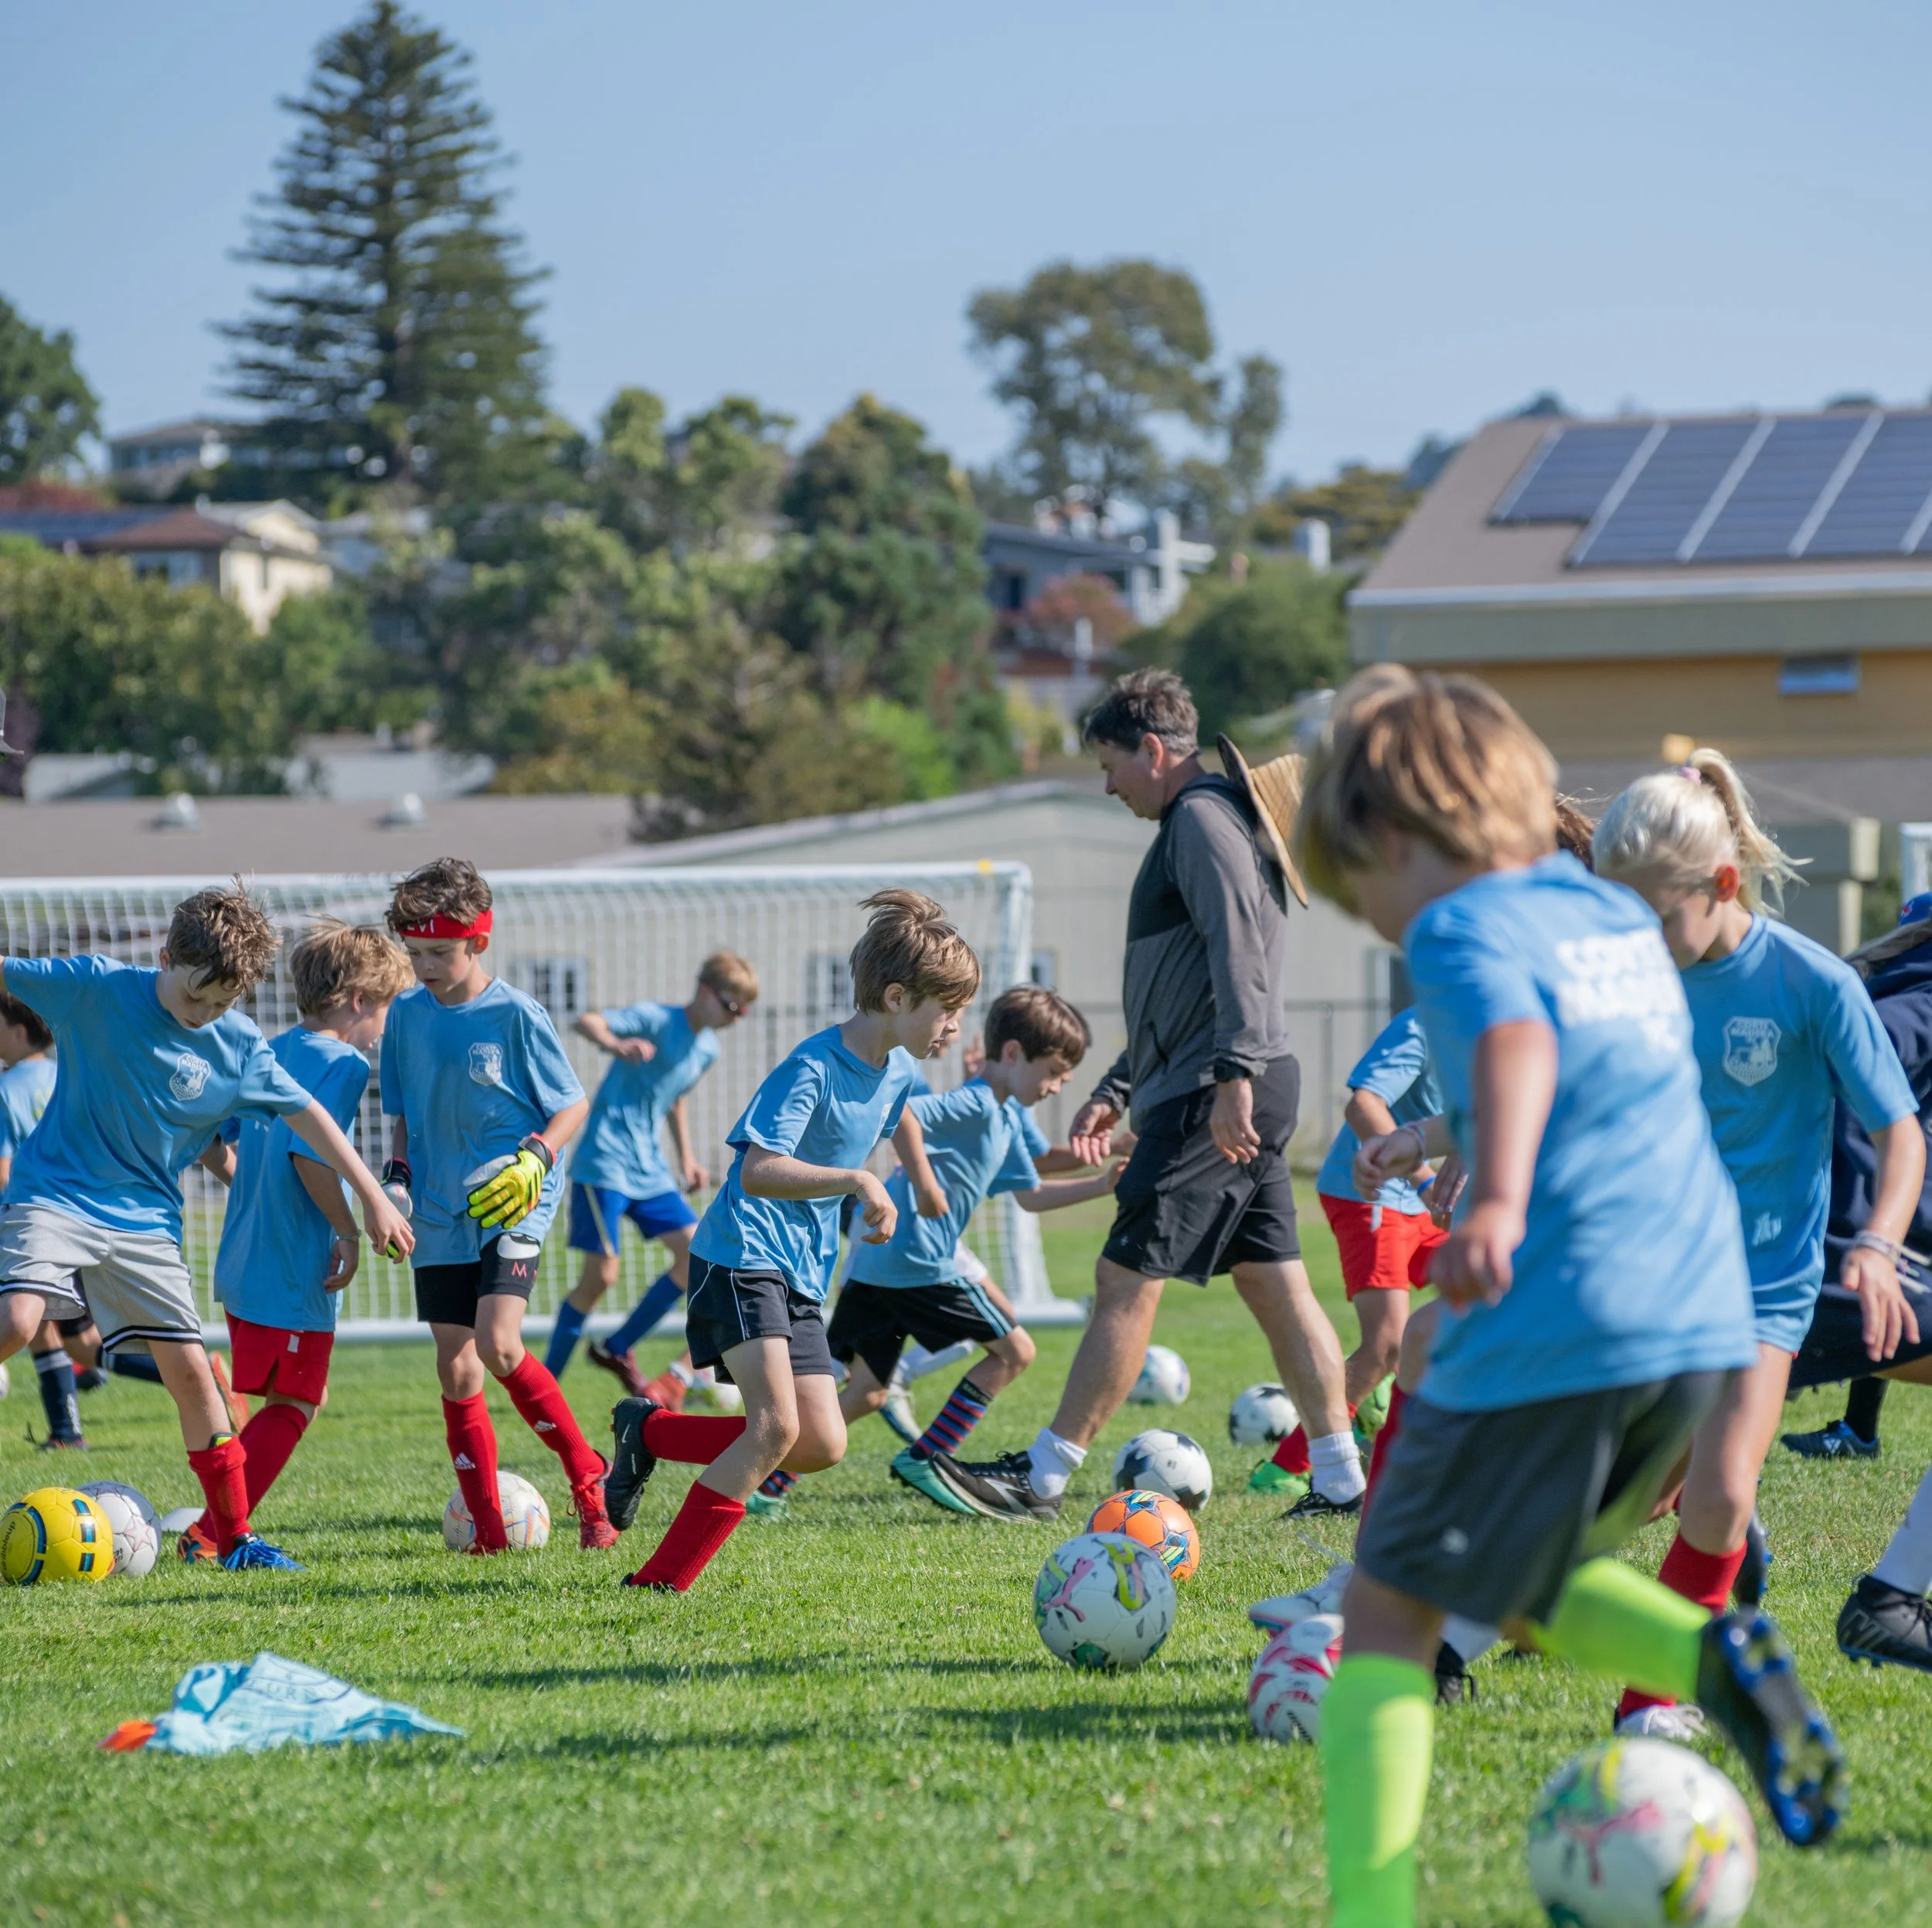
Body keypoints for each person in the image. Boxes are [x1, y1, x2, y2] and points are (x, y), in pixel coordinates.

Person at [1298, 667, 1843, 1928]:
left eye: (1364, 901)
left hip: (1571, 1311)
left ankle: (1370, 1910)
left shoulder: (1462, 925)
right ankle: (1713, 1653)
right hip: (1702, 1313)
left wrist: (1488, 1212)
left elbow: (1518, 1049)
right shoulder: (1606, 914)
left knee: (1387, 1604)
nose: (1388, 933)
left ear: (1394, 837)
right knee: (1520, 1580)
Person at [930, 670, 1357, 1522]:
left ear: (1154, 749)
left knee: (1124, 1276)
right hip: (1233, 1077)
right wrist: (1119, 1086)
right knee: (1276, 1284)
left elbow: (1236, 947)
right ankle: (1346, 1482)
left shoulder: (1197, 820)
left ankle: (1042, 1476)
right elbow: (1184, 986)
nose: (1107, 783)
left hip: (1217, 1088)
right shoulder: (1206, 821)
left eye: (1110, 764)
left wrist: (1230, 1075)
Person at [1592, 751, 1922, 1735]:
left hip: (1764, 1286)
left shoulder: (1809, 982)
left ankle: (1651, 1704)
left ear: (1721, 885)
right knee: (1602, 1496)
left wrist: (1874, 1243)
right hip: (1648, 1275)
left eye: (1651, 919)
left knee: (1722, 1492)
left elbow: (1898, 1129)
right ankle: (1425, 1622)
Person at [0, 884, 413, 1570]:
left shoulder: (238, 1044)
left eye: (223, 1003)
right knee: (17, 1321)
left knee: (195, 1374)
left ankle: (236, 1539)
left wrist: (371, 1197)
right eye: (196, 997)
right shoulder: (94, 988)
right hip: (55, 1196)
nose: (205, 1015)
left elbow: (307, 1116)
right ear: (164, 956)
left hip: (145, 1222)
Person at [602, 890, 977, 1592]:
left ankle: (646, 1434)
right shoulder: (812, 1067)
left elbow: (900, 1118)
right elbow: (759, 1168)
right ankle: (658, 1583)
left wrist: (919, 1180)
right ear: (897, 996)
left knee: (818, 1444)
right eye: (947, 1009)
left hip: (801, 1273)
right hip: (742, 1255)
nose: (955, 1025)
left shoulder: (898, 1065)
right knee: (772, 1429)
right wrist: (860, 1183)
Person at [378, 857, 615, 1551]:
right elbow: (402, 1115)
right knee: (457, 1368)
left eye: (438, 953)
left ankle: (586, 1475)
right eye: (414, 953)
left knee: (499, 1344)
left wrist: (536, 1157)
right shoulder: (405, 1017)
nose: (424, 966)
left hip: (512, 1197)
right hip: (438, 1205)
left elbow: (572, 1103)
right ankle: (488, 1532)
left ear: (478, 941)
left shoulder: (515, 1012)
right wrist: (396, 1177)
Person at [832, 985, 1121, 1516]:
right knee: (1016, 1352)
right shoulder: (979, 1100)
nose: (1058, 1087)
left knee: (869, 1391)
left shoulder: (1006, 1114)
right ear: (1012, 1054)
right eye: (1054, 1071)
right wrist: (923, 1183)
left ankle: (767, 1483)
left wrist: (1102, 1182)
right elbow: (902, 1114)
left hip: (880, 1262)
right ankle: (930, 1455)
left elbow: (1031, 1191)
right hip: (921, 1262)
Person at [177, 922, 415, 1561]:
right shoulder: (343, 1064)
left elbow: (207, 1135)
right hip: (290, 1265)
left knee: (298, 1395)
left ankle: (213, 1526)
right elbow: (312, 1160)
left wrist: (247, 1181)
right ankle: (210, 1534)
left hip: (243, 1258)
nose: (386, 1026)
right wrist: (349, 1229)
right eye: (387, 1007)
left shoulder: (270, 1048)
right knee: (300, 1401)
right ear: (361, 998)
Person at [1249, 1006, 1443, 1499]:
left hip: (1422, 1199)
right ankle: (1286, 1467)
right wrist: (1425, 1181)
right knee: (1386, 1345)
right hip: (1371, 1193)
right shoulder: (1424, 1023)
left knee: (1503, 1289)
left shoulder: (1509, 1026)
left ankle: (1384, 1409)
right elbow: (1363, 1107)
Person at [543, 950, 757, 1396]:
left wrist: (688, 1159)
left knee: (698, 1255)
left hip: (648, 1170)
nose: (736, 1021)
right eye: (732, 1007)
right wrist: (615, 1045)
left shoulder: (707, 1049)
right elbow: (588, 1021)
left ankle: (617, 1346)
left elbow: (673, 1096)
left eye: (744, 1012)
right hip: (603, 1162)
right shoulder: (655, 1018)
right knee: (601, 1277)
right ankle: (544, 1387)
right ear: (704, 992)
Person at [1782, 890, 1932, 1464]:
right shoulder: (1916, 1001)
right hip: (1836, 1245)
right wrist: (1867, 1235)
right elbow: (1851, 1085)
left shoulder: (1882, 984)